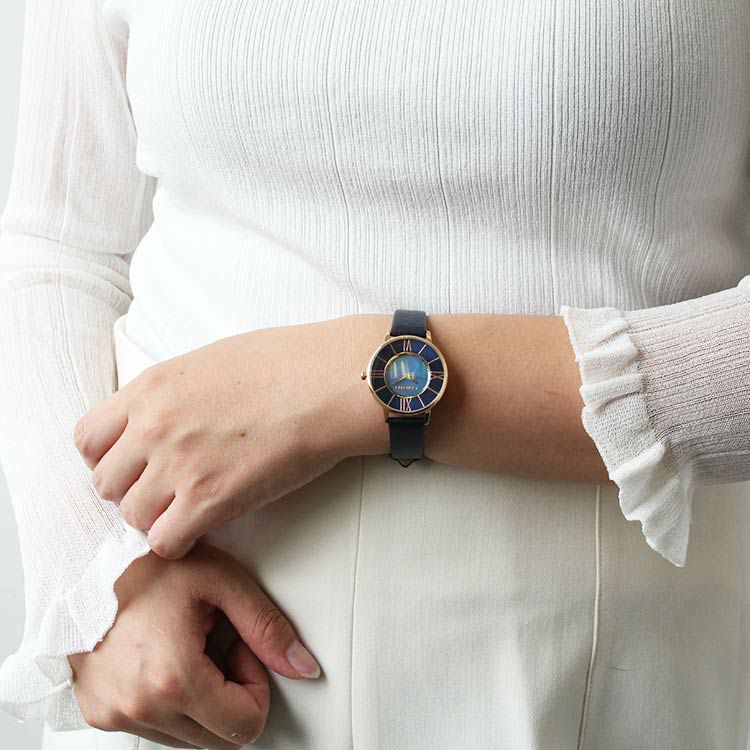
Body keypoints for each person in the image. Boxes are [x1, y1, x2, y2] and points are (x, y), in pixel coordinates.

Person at [0, 0, 749, 748]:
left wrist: (354, 380)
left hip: (610, 669)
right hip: (189, 664)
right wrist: (97, 580)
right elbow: (60, 246)